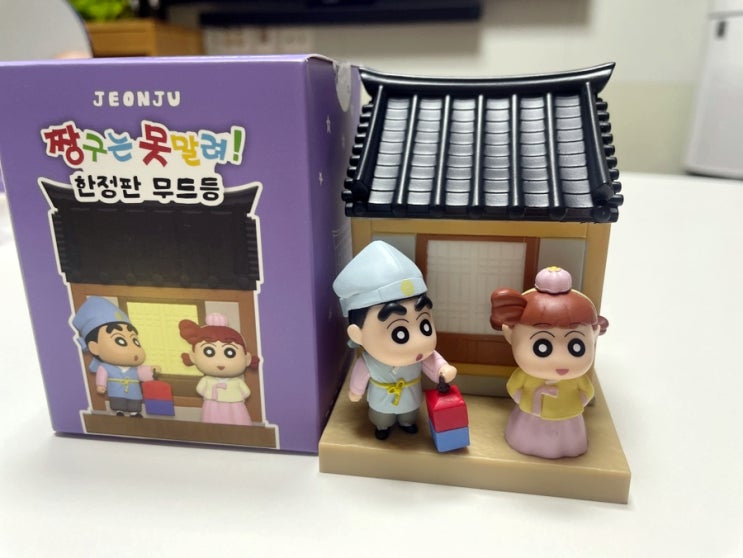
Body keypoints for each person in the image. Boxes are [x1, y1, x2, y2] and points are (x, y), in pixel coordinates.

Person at [333, 241, 456, 440]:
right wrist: (356, 391)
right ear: (357, 334)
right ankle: (382, 426)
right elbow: (360, 376)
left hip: (410, 396)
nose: (418, 342)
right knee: (382, 416)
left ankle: (407, 422)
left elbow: (433, 361)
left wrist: (443, 370)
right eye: (400, 333)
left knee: (409, 414)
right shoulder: (369, 361)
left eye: (424, 325)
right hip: (381, 400)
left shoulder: (421, 355)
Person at [490, 266, 608, 458]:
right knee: (526, 435)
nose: (560, 360)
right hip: (531, 418)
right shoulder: (525, 376)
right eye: (542, 347)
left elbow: (587, 392)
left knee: (569, 437)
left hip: (567, 419)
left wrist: (576, 403)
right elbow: (514, 388)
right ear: (510, 335)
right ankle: (525, 444)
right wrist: (525, 400)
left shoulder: (577, 378)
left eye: (576, 346)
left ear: (593, 337)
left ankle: (570, 447)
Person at [72, 296, 157, 417]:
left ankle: (134, 412)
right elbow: (102, 375)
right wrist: (101, 385)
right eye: (120, 341)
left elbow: (142, 373)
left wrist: (152, 371)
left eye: (135, 341)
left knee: (135, 403)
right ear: (94, 347)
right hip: (116, 392)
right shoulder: (106, 367)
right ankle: (119, 411)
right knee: (118, 402)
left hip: (134, 392)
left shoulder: (134, 368)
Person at [179, 313, 255, 426]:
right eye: (209, 352)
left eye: (230, 352)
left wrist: (232, 395)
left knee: (238, 422)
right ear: (193, 357)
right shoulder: (207, 380)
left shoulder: (237, 382)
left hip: (234, 406)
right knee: (212, 424)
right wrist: (212, 393)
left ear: (247, 359)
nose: (220, 362)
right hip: (212, 405)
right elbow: (200, 389)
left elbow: (246, 392)